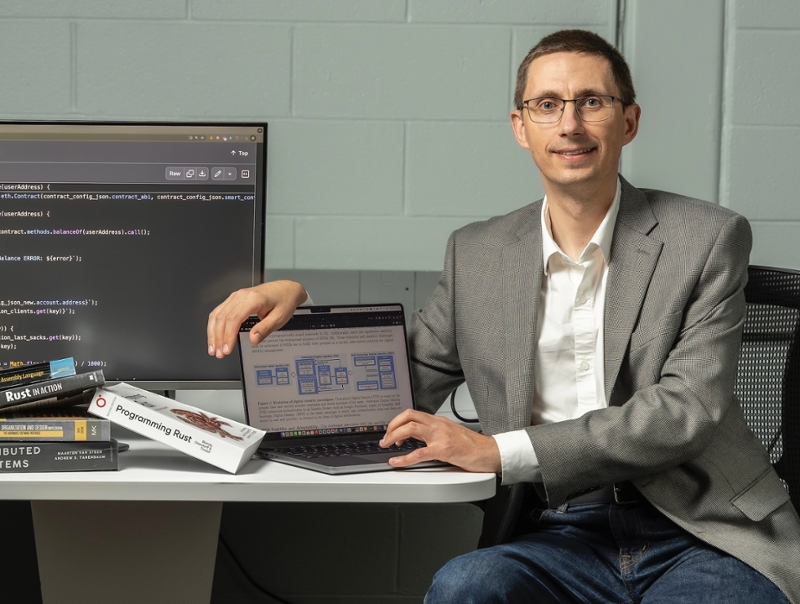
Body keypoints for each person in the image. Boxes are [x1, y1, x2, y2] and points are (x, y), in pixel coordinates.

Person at [207, 29, 800, 604]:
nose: (569, 124)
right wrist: (298, 308)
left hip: (704, 531)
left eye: (591, 101)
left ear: (629, 121)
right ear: (521, 127)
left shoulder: (707, 237)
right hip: (558, 534)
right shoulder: (478, 255)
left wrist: (499, 452)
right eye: (547, 105)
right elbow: (391, 388)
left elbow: (684, 414)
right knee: (465, 588)